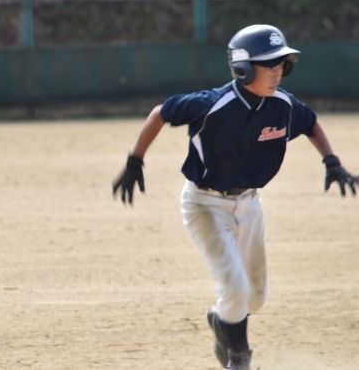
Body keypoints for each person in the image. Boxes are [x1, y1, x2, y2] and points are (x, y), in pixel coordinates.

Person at [111, 24, 358, 370]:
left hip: (250, 205)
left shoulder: (283, 105)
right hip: (205, 204)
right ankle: (238, 358)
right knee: (235, 288)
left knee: (254, 298)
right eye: (267, 65)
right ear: (242, 68)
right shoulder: (213, 103)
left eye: (281, 65)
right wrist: (134, 162)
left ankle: (220, 320)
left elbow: (311, 123)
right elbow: (161, 112)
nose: (276, 73)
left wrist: (331, 162)